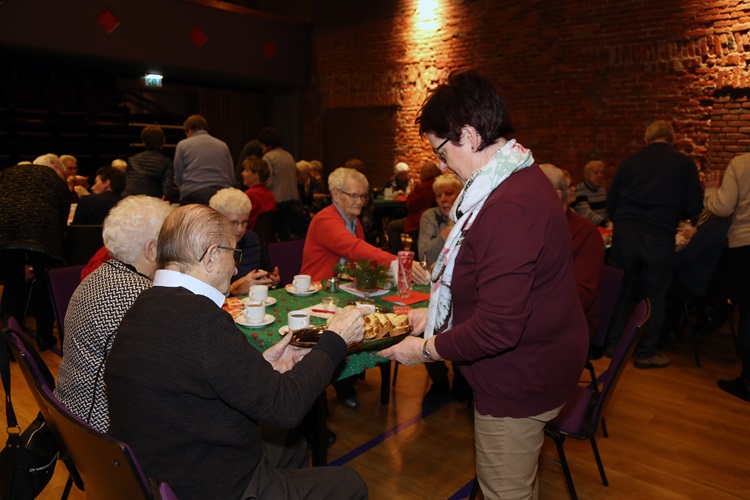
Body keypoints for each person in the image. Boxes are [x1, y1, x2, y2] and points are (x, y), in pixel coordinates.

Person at [379, 70, 588, 500]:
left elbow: (499, 327)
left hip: (520, 379)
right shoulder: (517, 177)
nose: (440, 164)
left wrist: (426, 350)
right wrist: (435, 315)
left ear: (470, 136)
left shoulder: (506, 204)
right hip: (539, 362)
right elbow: (497, 287)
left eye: (441, 151)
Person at [104, 204, 368, 500]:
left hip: (155, 467)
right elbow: (287, 407)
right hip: (210, 485)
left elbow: (194, 376)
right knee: (351, 483)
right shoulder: (202, 319)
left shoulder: (143, 304)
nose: (236, 268)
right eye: (234, 254)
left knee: (291, 446)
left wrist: (261, 365)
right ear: (212, 256)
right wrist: (336, 339)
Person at [301, 167, 430, 409]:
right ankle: (341, 382)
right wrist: (397, 262)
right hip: (320, 291)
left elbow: (358, 260)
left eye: (363, 196)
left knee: (381, 316)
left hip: (344, 288)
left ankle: (352, 371)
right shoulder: (326, 220)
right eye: (354, 195)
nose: (360, 201)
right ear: (336, 194)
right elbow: (355, 249)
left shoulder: (353, 221)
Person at [54, 196, 172, 432]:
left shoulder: (98, 276)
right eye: (171, 243)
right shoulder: (141, 297)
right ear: (151, 249)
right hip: (103, 432)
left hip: (71, 413)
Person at [606, 120, 703, 368]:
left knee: (621, 291)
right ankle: (646, 352)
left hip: (625, 232)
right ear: (671, 140)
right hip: (658, 234)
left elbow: (612, 201)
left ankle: (611, 345)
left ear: (646, 139)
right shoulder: (683, 163)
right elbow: (694, 206)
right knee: (654, 295)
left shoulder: (630, 162)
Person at [0, 160, 70, 350]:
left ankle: (9, 340)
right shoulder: (56, 180)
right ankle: (44, 337)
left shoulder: (7, 172)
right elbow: (62, 220)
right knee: (44, 284)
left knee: (12, 284)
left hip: (5, 229)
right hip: (42, 231)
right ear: (56, 168)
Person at [416, 173, 470, 409]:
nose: (443, 199)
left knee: (462, 325)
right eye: (439, 195)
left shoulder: (472, 214)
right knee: (423, 328)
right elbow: (425, 255)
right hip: (433, 286)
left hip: (463, 286)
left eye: (449, 193)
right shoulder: (430, 216)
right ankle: (439, 380)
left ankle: (461, 376)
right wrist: (447, 229)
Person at [703, 154, 750, 402]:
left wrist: (710, 189)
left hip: (746, 245)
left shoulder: (741, 163)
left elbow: (722, 207)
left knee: (748, 315)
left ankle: (748, 382)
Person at [540, 163, 605, 339]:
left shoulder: (585, 234)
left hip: (571, 327)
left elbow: (579, 299)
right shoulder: (531, 225)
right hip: (538, 318)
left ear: (556, 195)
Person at [208, 188, 280, 296]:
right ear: (218, 222)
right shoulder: (210, 248)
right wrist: (233, 291)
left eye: (244, 222)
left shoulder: (251, 238)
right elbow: (205, 296)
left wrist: (271, 281)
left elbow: (264, 271)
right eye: (234, 223)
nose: (240, 229)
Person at [174, 114, 234, 206]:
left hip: (194, 194)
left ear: (189, 130)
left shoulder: (183, 145)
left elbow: (178, 175)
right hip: (222, 195)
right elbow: (231, 175)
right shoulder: (222, 145)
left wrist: (184, 189)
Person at [386, 161, 441, 254]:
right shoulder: (436, 183)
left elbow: (411, 205)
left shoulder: (425, 187)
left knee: (392, 226)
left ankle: (396, 254)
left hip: (419, 221)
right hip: (431, 219)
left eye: (422, 172)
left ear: (430, 173)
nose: (420, 174)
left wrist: (412, 192)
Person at [258, 126, 304, 240]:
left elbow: (269, 181)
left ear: (267, 144)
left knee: (279, 234)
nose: (261, 148)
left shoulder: (268, 157)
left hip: (277, 200)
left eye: (262, 145)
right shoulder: (288, 155)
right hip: (291, 199)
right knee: (287, 233)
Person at [122, 125, 175, 199]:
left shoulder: (132, 159)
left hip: (127, 199)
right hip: (149, 201)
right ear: (164, 141)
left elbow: (124, 183)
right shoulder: (167, 162)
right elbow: (167, 191)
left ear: (143, 142)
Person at [572, 160, 612, 228]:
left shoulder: (602, 190)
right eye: (596, 173)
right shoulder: (580, 190)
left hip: (604, 228)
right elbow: (586, 213)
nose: (600, 175)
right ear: (586, 175)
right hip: (589, 228)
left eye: (602, 173)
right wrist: (606, 223)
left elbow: (607, 211)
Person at [241, 156, 277, 230]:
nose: (242, 174)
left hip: (250, 237)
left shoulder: (249, 195)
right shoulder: (270, 195)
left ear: (255, 175)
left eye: (246, 171)